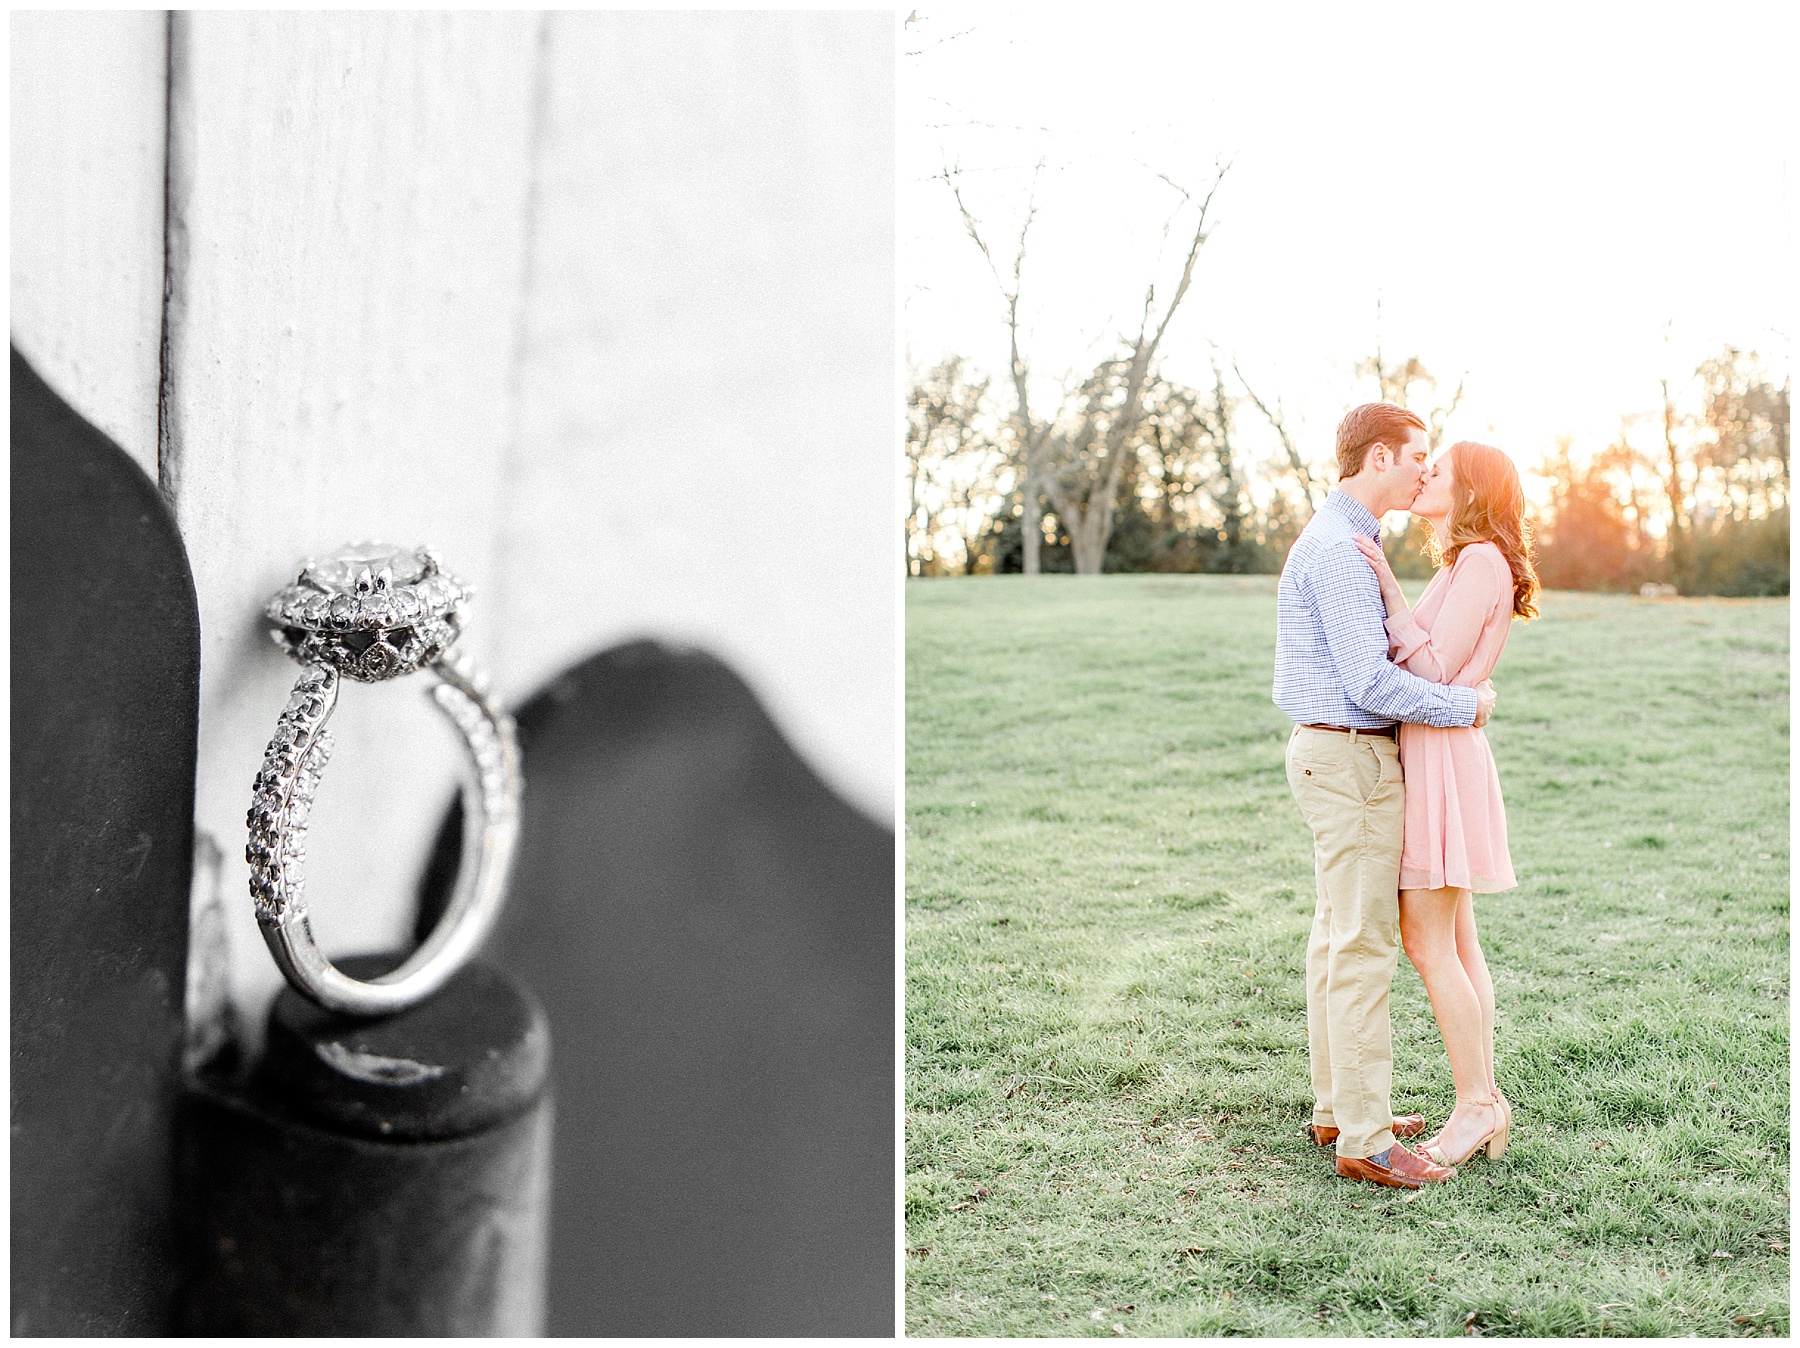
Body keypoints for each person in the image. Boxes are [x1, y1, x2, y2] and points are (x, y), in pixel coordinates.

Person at [1272, 402, 1497, 1190]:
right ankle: (1365, 1140)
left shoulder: (1346, 540)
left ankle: (1340, 1106)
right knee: (1363, 943)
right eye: (1416, 456)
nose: (1424, 470)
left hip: (1332, 754)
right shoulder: (1339, 549)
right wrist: (1465, 707)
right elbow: (1372, 681)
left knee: (1338, 933)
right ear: (1377, 459)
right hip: (1352, 760)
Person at [1349, 440, 1538, 1169]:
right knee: (1457, 944)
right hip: (1440, 751)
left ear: (1472, 490)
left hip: (1441, 757)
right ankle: (1484, 1100)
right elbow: (1446, 678)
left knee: (1430, 945)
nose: (1425, 475)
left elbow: (1433, 671)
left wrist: (1393, 599)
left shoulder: (1482, 560)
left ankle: (1476, 1105)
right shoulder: (1468, 561)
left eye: (1439, 470)